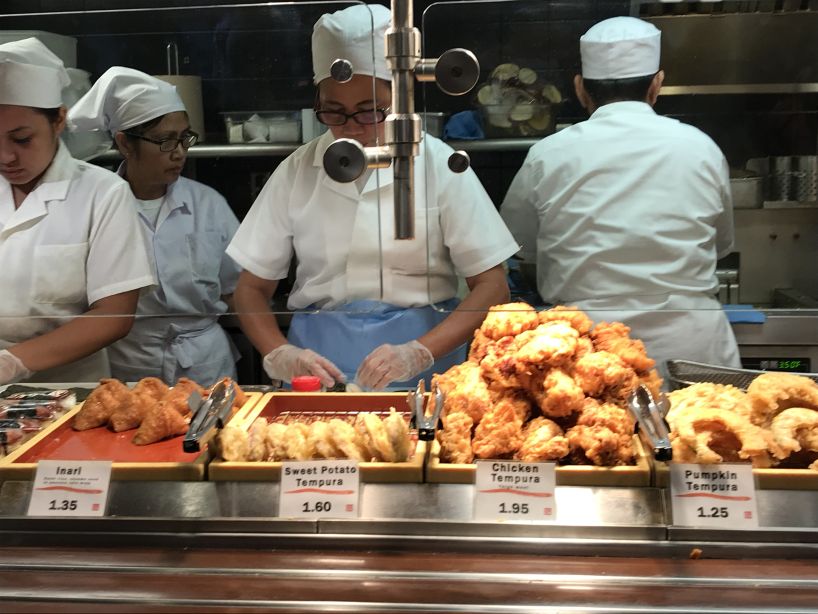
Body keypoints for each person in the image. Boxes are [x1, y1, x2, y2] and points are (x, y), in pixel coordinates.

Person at [227, 4, 518, 390]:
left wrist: (419, 351)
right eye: (333, 112)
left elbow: (493, 285)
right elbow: (250, 288)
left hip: (425, 372)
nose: (351, 128)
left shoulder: (437, 163)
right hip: (317, 370)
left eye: (370, 112)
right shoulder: (298, 170)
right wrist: (279, 353)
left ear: (400, 97)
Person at [500, 16, 740, 377]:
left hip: (591, 352)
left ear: (580, 88)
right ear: (656, 85)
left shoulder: (549, 154)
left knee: (597, 434)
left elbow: (518, 246)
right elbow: (721, 245)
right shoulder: (701, 147)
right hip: (691, 348)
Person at [68, 67, 242, 386]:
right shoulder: (97, 207)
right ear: (125, 144)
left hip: (206, 368)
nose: (179, 153)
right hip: (130, 369)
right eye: (164, 141)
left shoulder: (208, 204)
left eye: (184, 138)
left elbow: (238, 288)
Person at [0, 39, 154, 384]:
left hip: (66, 390)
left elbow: (114, 316)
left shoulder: (101, 193)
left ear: (58, 121)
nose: (5, 157)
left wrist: (11, 362)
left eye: (22, 139)